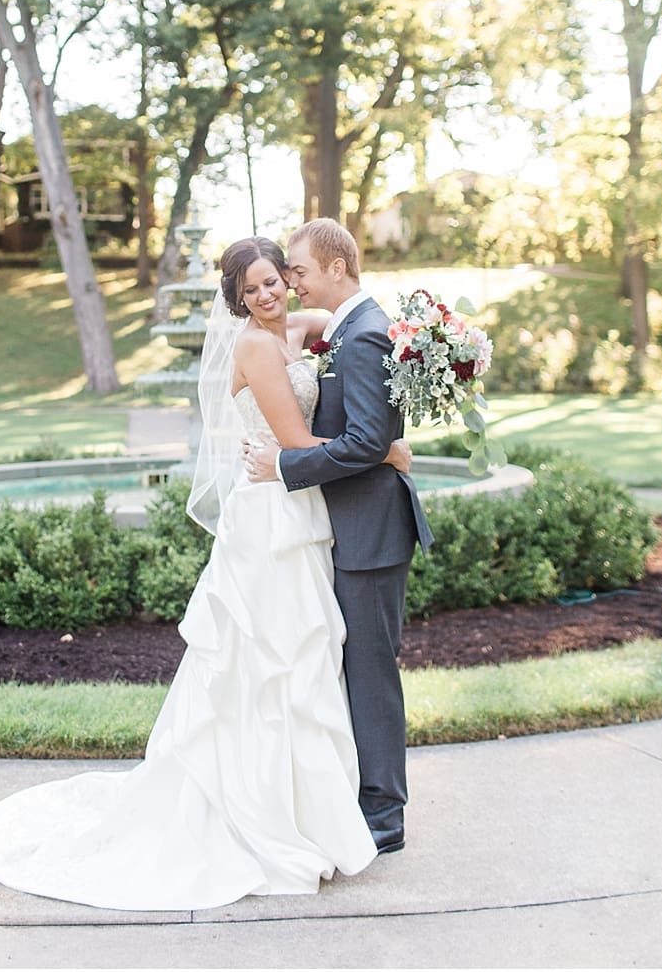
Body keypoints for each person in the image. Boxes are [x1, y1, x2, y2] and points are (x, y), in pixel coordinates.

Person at [0, 236, 413, 909]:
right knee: (269, 659)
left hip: (304, 516)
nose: (268, 295)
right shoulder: (256, 346)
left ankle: (317, 806)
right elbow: (295, 443)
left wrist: (434, 345)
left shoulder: (303, 326)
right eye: (253, 288)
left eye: (276, 281)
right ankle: (260, 811)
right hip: (270, 518)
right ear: (234, 297)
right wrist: (387, 453)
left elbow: (363, 323)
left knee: (309, 658)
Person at [243, 216, 433, 856]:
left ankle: (383, 816)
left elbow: (364, 442)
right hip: (346, 526)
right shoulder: (350, 328)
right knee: (345, 666)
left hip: (371, 532)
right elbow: (373, 438)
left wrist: (284, 464)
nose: (290, 283)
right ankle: (356, 797)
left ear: (334, 267)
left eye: (296, 270)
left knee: (371, 671)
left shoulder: (362, 337)